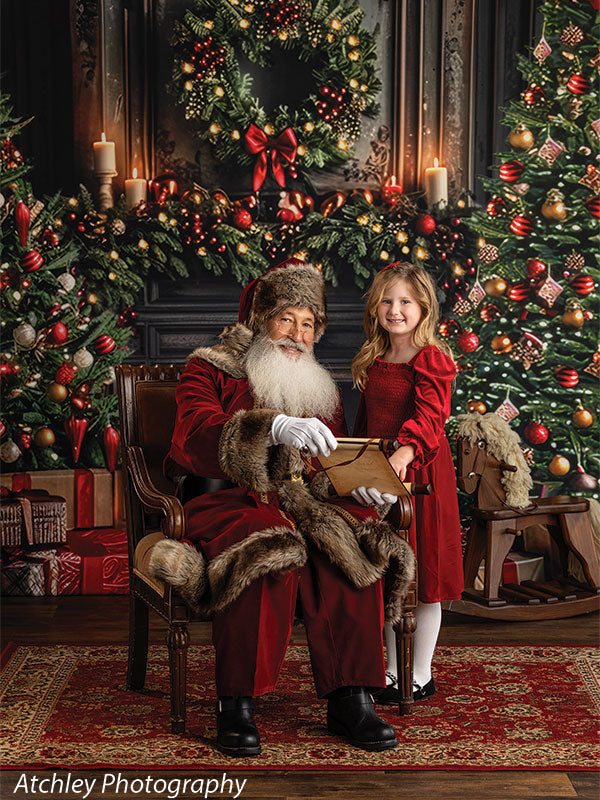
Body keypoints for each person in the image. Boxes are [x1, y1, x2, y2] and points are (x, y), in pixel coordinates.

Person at [149, 258, 415, 756]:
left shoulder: (319, 386)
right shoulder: (209, 368)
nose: (297, 334)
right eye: (286, 319)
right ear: (261, 319)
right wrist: (267, 427)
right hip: (225, 498)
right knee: (267, 544)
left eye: (309, 323)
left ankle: (351, 695)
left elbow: (328, 462)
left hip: (302, 500)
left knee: (348, 539)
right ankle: (238, 702)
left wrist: (360, 486)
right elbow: (193, 435)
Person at [351, 261, 464, 704]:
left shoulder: (431, 358)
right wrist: (357, 462)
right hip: (381, 475)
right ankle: (391, 671)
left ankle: (419, 674)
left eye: (405, 302)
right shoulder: (375, 357)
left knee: (422, 578)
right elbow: (366, 421)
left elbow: (431, 417)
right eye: (387, 301)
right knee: (388, 576)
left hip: (420, 474)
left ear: (423, 309)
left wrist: (405, 450)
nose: (395, 310)